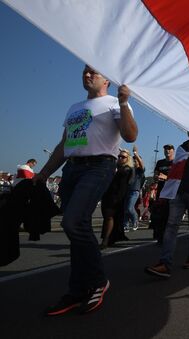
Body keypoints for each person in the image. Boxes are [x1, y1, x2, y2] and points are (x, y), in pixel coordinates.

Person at [33, 65, 137, 315]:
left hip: (99, 166)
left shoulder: (115, 102)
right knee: (77, 228)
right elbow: (64, 143)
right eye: (84, 72)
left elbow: (130, 135)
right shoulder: (74, 108)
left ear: (106, 81)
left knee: (73, 222)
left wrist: (124, 105)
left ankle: (98, 280)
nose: (87, 75)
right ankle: (77, 290)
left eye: (93, 72)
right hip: (72, 169)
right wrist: (45, 172)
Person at [145, 132, 189, 277]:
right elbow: (175, 169)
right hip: (178, 192)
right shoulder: (181, 148)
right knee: (171, 225)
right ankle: (165, 263)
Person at [99, 149, 133, 249]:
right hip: (107, 195)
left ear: (128, 159)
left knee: (109, 217)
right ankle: (110, 238)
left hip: (116, 197)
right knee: (108, 218)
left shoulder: (126, 169)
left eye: (123, 157)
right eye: (119, 156)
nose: (120, 158)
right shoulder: (114, 167)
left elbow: (122, 186)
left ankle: (105, 240)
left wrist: (118, 199)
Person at [150, 144, 175, 244]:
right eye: (165, 149)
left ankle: (168, 236)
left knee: (169, 215)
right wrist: (156, 176)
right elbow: (155, 174)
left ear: (173, 150)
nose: (167, 151)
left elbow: (177, 178)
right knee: (160, 214)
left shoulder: (176, 162)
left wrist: (166, 177)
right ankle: (160, 236)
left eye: (169, 149)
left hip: (172, 192)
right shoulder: (160, 162)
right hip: (161, 192)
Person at [123, 145, 145, 232]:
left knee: (129, 208)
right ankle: (126, 225)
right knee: (125, 209)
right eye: (133, 160)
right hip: (126, 191)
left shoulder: (140, 170)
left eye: (136, 160)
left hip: (134, 192)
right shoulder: (130, 169)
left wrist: (135, 154)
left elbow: (141, 163)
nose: (134, 161)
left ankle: (135, 221)